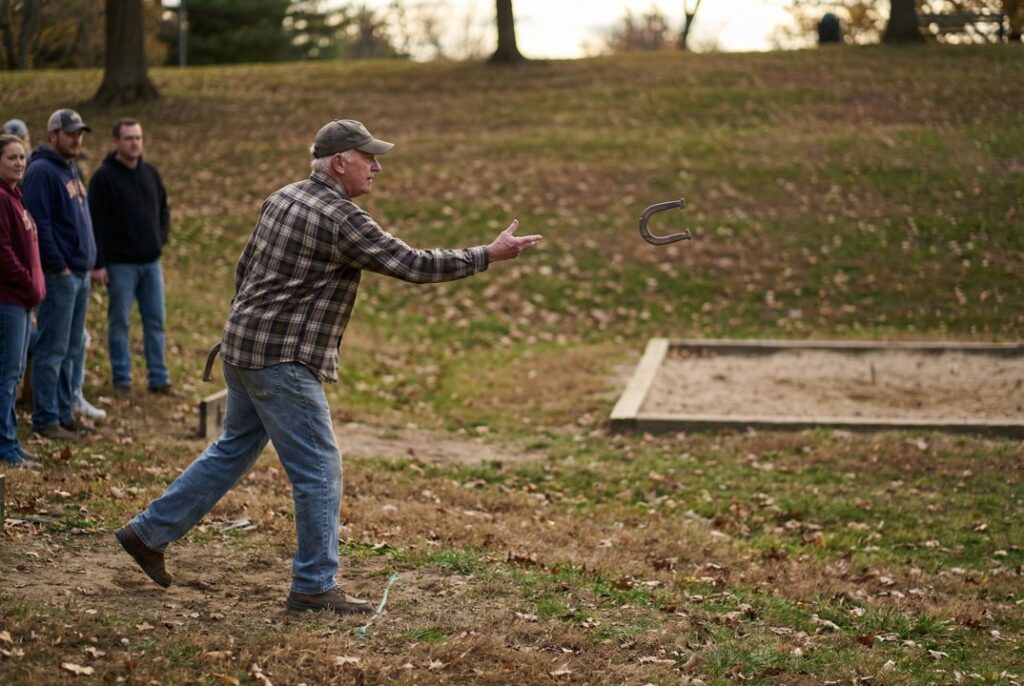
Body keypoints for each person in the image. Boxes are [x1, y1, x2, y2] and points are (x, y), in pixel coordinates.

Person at [115, 119, 542, 614]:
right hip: (281, 360)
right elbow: (413, 264)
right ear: (340, 162)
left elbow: (245, 265)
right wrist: (487, 254)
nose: (377, 167)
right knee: (319, 468)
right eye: (369, 158)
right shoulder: (341, 219)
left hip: (241, 346)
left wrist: (242, 323)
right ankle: (315, 585)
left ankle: (147, 533)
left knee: (233, 449)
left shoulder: (282, 197)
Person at [21, 109, 97, 441]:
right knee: (52, 348)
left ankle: (64, 412)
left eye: (80, 133)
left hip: (80, 274)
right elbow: (41, 225)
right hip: (60, 275)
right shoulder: (40, 172)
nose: (76, 139)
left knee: (71, 347)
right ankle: (46, 417)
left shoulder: (70, 169)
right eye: (70, 133)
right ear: (52, 135)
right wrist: (61, 266)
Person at [88, 118, 172, 395]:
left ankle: (158, 378)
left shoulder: (150, 172)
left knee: (155, 321)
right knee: (120, 322)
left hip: (150, 263)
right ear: (116, 142)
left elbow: (163, 210)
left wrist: (159, 239)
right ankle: (122, 379)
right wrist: (98, 263)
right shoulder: (103, 177)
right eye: (128, 138)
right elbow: (95, 222)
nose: (135, 143)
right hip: (119, 264)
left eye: (138, 137)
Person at [0, 135, 45, 468]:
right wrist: (29, 286)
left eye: (21, 157)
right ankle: (5, 446)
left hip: (23, 301)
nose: (19, 162)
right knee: (8, 374)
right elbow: (3, 253)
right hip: (9, 300)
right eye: (12, 157)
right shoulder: (1, 199)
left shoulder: (16, 197)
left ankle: (11, 440)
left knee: (13, 374)